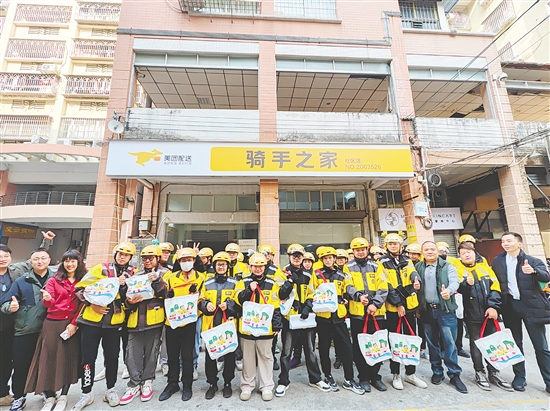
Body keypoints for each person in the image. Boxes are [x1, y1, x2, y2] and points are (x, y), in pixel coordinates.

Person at [70, 241, 136, 411]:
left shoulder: (133, 273)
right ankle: (86, 392)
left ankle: (110, 389)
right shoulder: (101, 268)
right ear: (115, 254)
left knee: (112, 357)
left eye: (126, 255)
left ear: (130, 257)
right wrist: (92, 304)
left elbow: (130, 299)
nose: (122, 257)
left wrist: (126, 291)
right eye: (120, 253)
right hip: (91, 320)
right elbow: (80, 288)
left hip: (115, 322)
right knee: (88, 358)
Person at [25, 250, 86, 411]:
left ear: (79, 263)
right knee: (48, 359)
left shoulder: (83, 281)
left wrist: (74, 324)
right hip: (52, 324)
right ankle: (50, 396)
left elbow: (83, 305)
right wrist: (47, 299)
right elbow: (49, 302)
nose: (69, 264)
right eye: (67, 261)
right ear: (62, 263)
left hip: (71, 324)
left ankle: (64, 396)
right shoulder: (54, 280)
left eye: (73, 261)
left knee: (68, 360)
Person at [491, 232, 550, 392]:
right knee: (515, 344)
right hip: (510, 306)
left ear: (519, 243)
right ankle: (519, 377)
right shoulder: (498, 260)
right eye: (503, 241)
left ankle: (548, 380)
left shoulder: (532, 261)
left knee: (541, 346)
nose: (506, 243)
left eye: (509, 241)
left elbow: (546, 276)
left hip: (532, 308)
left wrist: (533, 272)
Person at [1, 248, 54, 411]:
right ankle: (19, 397)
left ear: (50, 260)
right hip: (25, 330)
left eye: (43, 258)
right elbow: (6, 303)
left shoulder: (56, 279)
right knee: (21, 366)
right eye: (36, 259)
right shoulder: (21, 281)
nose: (40, 261)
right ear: (30, 262)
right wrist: (10, 307)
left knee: (47, 363)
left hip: (50, 329)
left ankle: (49, 393)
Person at [455, 242, 512, 392]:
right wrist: (466, 284)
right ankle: (479, 372)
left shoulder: (485, 268)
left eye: (469, 252)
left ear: (475, 253)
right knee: (476, 343)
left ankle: (494, 372)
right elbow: (458, 291)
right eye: (463, 253)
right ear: (459, 256)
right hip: (471, 313)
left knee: (492, 343)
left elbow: (495, 288)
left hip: (489, 313)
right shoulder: (458, 270)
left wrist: (493, 307)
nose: (467, 255)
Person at [307, 246, 364, 395]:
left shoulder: (342, 274)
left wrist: (345, 299)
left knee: (346, 347)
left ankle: (349, 379)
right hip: (323, 317)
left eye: (330, 258)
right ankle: (328, 376)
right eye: (325, 258)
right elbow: (311, 292)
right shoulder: (316, 274)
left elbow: (347, 290)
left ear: (334, 259)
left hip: (339, 316)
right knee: (324, 348)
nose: (328, 260)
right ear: (322, 260)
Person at [275, 244, 331, 397]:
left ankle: (315, 379)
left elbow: (313, 292)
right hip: (290, 318)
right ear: (289, 256)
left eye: (299, 255)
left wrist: (308, 306)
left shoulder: (308, 273)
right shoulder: (282, 273)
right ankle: (283, 381)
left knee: (311, 351)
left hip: (306, 318)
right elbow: (280, 294)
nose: (297, 258)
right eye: (294, 255)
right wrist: (289, 282)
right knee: (286, 352)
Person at [415, 241, 467, 394]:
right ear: (422, 252)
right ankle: (437, 371)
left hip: (445, 310)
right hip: (427, 310)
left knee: (450, 343)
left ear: (437, 251)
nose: (430, 252)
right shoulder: (418, 267)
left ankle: (454, 374)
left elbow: (455, 282)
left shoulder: (447, 266)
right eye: (426, 249)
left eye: (432, 249)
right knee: (432, 343)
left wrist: (449, 291)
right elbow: (415, 286)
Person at [120, 245, 168, 405]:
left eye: (151, 258)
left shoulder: (165, 274)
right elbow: (126, 299)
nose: (147, 261)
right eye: (145, 258)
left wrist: (157, 281)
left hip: (154, 320)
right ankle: (134, 384)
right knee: (132, 353)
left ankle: (147, 381)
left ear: (158, 258)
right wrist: (129, 301)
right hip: (134, 320)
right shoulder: (136, 276)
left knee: (152, 352)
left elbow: (167, 294)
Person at [379, 234, 427, 390]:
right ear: (386, 245)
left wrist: (416, 280)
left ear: (401, 245)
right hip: (394, 308)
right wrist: (398, 304)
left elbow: (413, 272)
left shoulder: (406, 260)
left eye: (396, 243)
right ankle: (396, 374)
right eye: (390, 243)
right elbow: (386, 286)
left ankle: (410, 373)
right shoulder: (382, 262)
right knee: (395, 340)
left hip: (409, 306)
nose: (393, 246)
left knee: (410, 340)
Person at [234, 253, 282, 402]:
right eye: (255, 266)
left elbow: (276, 306)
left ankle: (266, 386)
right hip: (247, 328)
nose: (258, 269)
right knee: (248, 359)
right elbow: (238, 301)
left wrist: (276, 324)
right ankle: (247, 386)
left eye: (261, 266)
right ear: (250, 267)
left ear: (265, 267)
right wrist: (249, 289)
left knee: (266, 357)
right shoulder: (242, 282)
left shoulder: (272, 284)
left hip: (265, 329)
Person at [159, 247, 205, 402]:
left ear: (194, 261)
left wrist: (197, 296)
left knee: (187, 355)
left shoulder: (201, 278)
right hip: (172, 321)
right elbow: (162, 294)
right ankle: (172, 384)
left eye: (189, 260)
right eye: (183, 260)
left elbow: (203, 298)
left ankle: (187, 385)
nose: (186, 263)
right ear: (178, 262)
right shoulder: (170, 277)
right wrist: (167, 295)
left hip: (189, 322)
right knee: (172, 355)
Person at [345, 237, 388, 393]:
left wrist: (374, 304)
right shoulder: (348, 267)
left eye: (362, 249)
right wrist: (358, 297)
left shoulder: (376, 266)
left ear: (367, 250)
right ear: (353, 251)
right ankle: (363, 377)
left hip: (376, 313)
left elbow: (383, 286)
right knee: (359, 347)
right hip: (357, 313)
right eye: (357, 250)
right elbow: (348, 286)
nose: (360, 252)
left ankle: (375, 376)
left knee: (376, 345)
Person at [198, 252, 238, 399]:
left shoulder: (235, 283)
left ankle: (227, 383)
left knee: (229, 356)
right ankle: (212, 383)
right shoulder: (207, 283)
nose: (221, 267)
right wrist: (205, 304)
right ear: (214, 266)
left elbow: (239, 302)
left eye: (224, 264)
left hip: (228, 326)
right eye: (218, 264)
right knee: (210, 357)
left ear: (228, 266)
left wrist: (229, 305)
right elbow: (199, 301)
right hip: (211, 326)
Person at [437, 241, 470, 359]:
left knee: (459, 321)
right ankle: (443, 348)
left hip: (456, 294)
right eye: (439, 250)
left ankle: (459, 347)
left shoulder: (455, 261)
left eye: (444, 250)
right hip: (441, 296)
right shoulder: (433, 262)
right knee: (443, 324)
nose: (442, 252)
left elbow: (461, 275)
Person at [259, 244, 286, 371]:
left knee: (272, 336)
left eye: (269, 254)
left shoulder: (276, 270)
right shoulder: (253, 267)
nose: (267, 256)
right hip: (256, 307)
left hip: (270, 306)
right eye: (264, 254)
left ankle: (272, 358)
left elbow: (281, 288)